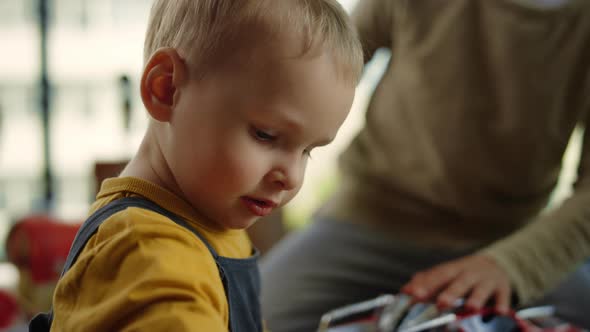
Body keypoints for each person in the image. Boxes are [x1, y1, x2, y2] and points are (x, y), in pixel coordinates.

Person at [32, 1, 363, 331]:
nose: (291, 177)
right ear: (166, 89)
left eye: (308, 151)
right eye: (266, 135)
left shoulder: (211, 221)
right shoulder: (148, 255)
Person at [260, 0, 590, 331]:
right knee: (247, 314)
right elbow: (324, 61)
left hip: (513, 242)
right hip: (368, 221)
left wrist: (512, 266)